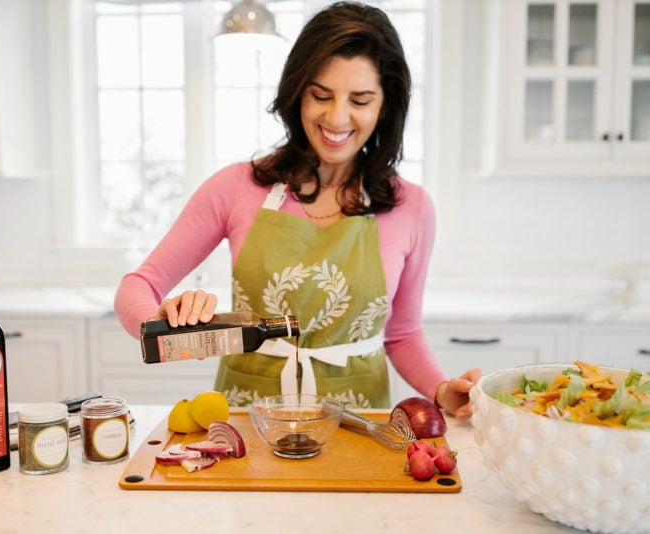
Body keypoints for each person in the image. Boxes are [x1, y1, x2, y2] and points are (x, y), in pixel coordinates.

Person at [114, 1, 481, 418]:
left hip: (359, 427)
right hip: (248, 425)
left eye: (360, 100)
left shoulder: (412, 207)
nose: (337, 117)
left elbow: (403, 334)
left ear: (385, 107)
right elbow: (135, 286)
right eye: (321, 95)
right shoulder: (236, 187)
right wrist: (157, 323)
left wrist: (441, 388)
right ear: (297, 94)